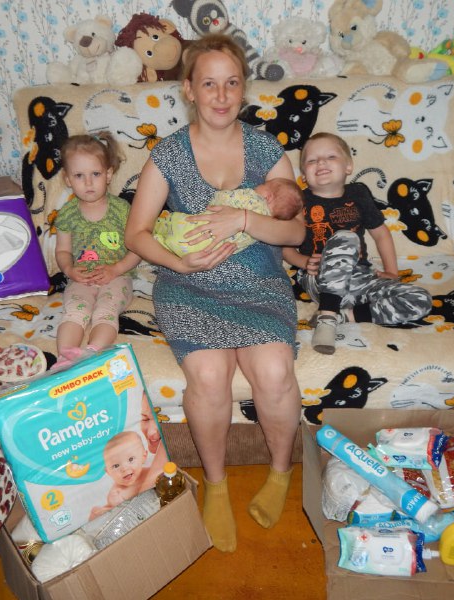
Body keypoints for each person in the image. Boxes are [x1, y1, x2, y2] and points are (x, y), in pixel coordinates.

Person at [124, 33, 305, 553]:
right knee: (207, 376)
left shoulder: (266, 149)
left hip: (258, 281)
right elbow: (137, 234)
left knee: (274, 371)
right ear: (189, 89)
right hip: (190, 284)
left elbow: (295, 231)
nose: (221, 96)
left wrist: (244, 220)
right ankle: (217, 484)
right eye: (209, 84)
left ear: (244, 88)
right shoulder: (169, 154)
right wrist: (178, 261)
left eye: (232, 83)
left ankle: (280, 471)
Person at [283, 132, 432, 355]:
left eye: (330, 157)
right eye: (312, 160)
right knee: (347, 237)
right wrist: (303, 262)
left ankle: (344, 316)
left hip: (361, 279)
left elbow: (381, 234)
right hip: (320, 278)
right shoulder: (300, 200)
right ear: (304, 175)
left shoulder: (359, 193)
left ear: (348, 167)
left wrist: (392, 271)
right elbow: (285, 245)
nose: (321, 162)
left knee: (421, 299)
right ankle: (327, 317)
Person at [52, 132, 141, 369]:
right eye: (79, 175)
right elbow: (63, 250)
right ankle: (65, 359)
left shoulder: (122, 210)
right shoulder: (67, 214)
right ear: (67, 179)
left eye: (96, 174)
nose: (88, 183)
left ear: (108, 174)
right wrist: (70, 270)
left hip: (117, 276)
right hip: (81, 277)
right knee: (74, 311)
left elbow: (138, 248)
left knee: (105, 310)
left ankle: (92, 353)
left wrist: (116, 269)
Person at [152, 177, 302, 256]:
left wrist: (215, 198)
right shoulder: (265, 228)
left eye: (263, 185)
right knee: (174, 243)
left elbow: (223, 198)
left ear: (268, 196)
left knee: (173, 221)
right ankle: (162, 241)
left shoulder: (252, 198)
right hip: (206, 252)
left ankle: (159, 230)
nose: (258, 186)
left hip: (195, 230)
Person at [89, 431, 159, 520]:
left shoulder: (150, 473)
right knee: (104, 513)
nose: (124, 468)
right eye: (116, 466)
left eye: (131, 459)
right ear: (108, 472)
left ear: (143, 456)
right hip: (132, 515)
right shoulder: (117, 492)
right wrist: (115, 503)